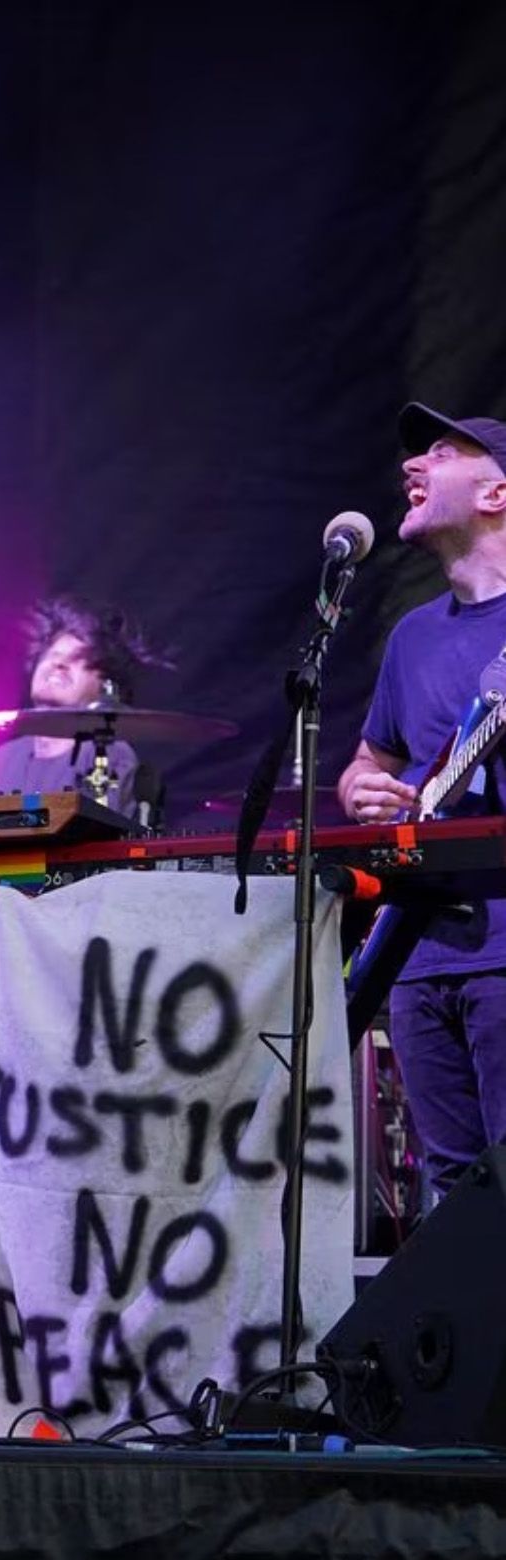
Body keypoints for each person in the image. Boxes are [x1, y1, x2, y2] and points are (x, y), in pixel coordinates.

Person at [338, 402, 506, 1205]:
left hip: (505, 945)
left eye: (439, 453)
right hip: (416, 952)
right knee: (447, 1186)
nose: (411, 466)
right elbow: (368, 762)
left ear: (494, 493)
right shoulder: (411, 635)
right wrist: (359, 788)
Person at [0, 594, 171, 819]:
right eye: (52, 655)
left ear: (104, 686)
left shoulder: (108, 754)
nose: (59, 664)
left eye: (79, 660)